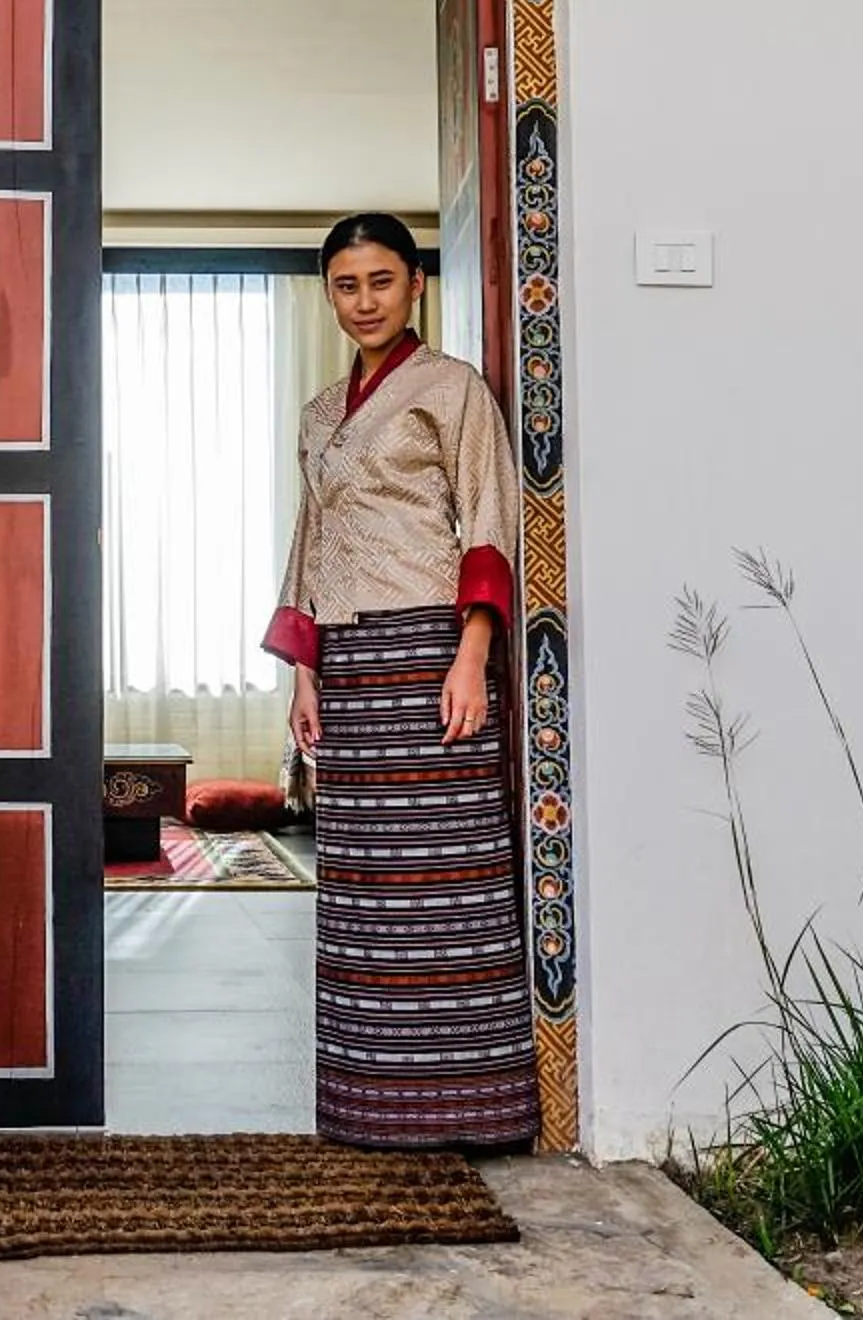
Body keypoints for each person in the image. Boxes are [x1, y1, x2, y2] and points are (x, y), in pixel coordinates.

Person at [262, 212, 537, 1151]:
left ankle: (469, 1107)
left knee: (443, 877)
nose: (364, 300)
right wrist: (306, 673)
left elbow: (489, 516)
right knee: (363, 887)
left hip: (430, 656)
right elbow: (311, 542)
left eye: (381, 280)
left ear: (414, 283)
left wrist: (473, 654)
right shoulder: (316, 416)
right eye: (346, 285)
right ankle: (370, 1108)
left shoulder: (452, 389)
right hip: (349, 668)